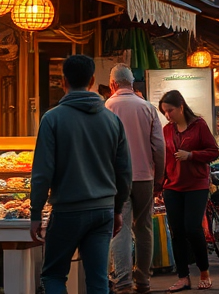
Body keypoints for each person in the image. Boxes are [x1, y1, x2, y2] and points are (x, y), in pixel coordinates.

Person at [30, 55, 131, 294]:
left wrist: (35, 212)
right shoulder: (112, 120)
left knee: (53, 276)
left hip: (67, 211)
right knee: (97, 280)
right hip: (103, 211)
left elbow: (42, 172)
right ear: (93, 80)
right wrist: (117, 210)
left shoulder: (52, 118)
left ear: (63, 81)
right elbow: (125, 171)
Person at [105, 64, 165, 294]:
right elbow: (159, 146)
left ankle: (122, 280)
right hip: (144, 177)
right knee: (144, 228)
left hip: (116, 180)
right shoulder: (147, 108)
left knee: (118, 228)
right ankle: (143, 280)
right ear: (132, 84)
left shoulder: (107, 107)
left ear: (113, 84)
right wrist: (158, 177)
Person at [159, 90, 219, 291]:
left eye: (170, 110)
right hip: (172, 186)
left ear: (181, 106)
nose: (168, 115)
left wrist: (191, 155)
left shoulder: (199, 125)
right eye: (164, 112)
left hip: (196, 185)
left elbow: (213, 152)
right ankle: (183, 276)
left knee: (192, 228)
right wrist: (160, 185)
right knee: (176, 231)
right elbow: (164, 158)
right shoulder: (167, 130)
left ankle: (204, 271)